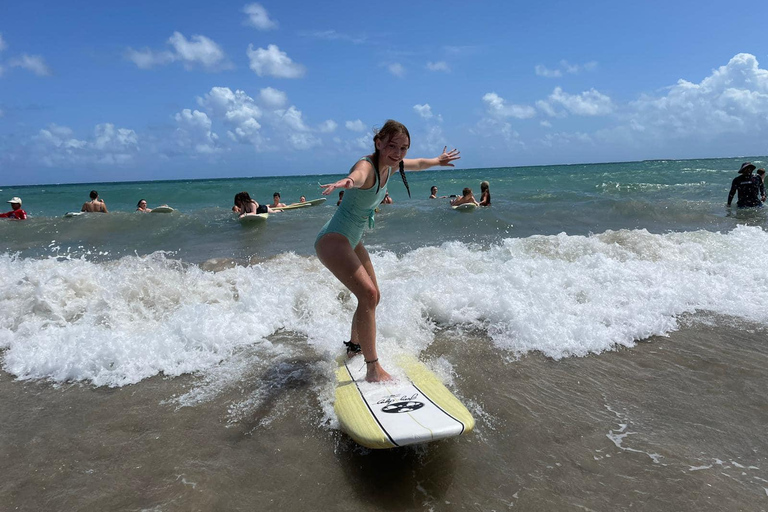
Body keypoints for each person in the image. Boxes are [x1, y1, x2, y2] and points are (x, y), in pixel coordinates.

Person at [314, 119, 460, 382]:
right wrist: (346, 181)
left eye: (404, 148)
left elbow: (418, 164)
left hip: (352, 239)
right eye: (393, 146)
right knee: (368, 294)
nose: (399, 153)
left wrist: (438, 160)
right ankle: (373, 369)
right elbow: (357, 176)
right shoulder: (367, 166)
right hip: (333, 240)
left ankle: (355, 347)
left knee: (373, 296)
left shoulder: (394, 166)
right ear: (379, 143)